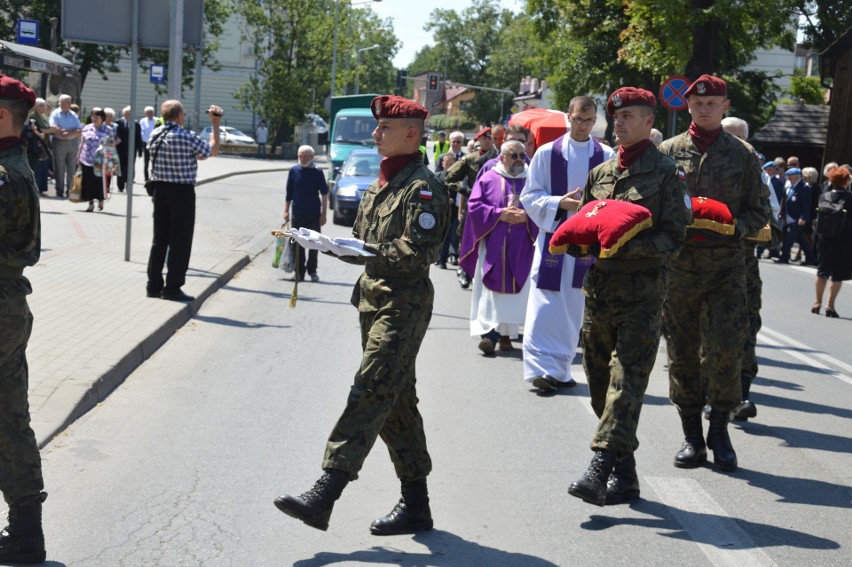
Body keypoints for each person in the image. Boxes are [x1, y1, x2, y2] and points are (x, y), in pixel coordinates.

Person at [274, 95, 450, 535]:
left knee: (371, 388)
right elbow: (362, 241)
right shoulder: (380, 183)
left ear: (411, 133)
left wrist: (364, 251)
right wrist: (327, 244)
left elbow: (417, 252)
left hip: (402, 306)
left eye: (384, 128)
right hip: (372, 301)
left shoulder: (423, 187)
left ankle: (326, 492)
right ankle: (417, 505)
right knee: (397, 405)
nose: (375, 134)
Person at [567, 87, 690, 506]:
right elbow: (587, 223)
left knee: (627, 382)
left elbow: (674, 238)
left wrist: (624, 247)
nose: (617, 123)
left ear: (649, 122)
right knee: (599, 382)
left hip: (642, 294)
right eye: (615, 117)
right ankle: (627, 473)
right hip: (599, 291)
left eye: (628, 117)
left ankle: (600, 466)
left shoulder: (667, 173)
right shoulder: (600, 174)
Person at [659, 74, 768, 472]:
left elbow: (761, 213)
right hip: (681, 269)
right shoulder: (667, 153)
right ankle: (691, 436)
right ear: (688, 105)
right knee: (682, 351)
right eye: (697, 103)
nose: (704, 108)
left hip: (726, 269)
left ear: (725, 108)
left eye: (712, 103)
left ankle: (719, 430)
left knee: (726, 350)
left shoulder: (743, 155)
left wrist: (732, 227)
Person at [520, 95, 615, 392]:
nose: (584, 126)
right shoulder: (547, 154)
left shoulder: (607, 155)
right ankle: (540, 368)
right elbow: (530, 196)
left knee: (576, 306)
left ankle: (560, 370)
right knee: (544, 304)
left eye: (589, 121)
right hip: (553, 238)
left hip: (588, 243)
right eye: (578, 120)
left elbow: (614, 200)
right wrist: (559, 202)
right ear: (568, 118)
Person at [0, 74, 48, 565]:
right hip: (8, 304)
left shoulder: (4, 174)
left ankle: (26, 533)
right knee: (9, 420)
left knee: (9, 420)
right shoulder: (14, 167)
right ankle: (26, 533)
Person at [721, 116, 778, 423]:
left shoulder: (757, 172)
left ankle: (742, 395)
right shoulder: (705, 165)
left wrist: (750, 228)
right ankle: (711, 394)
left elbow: (774, 221)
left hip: (743, 266)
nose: (732, 142)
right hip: (700, 265)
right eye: (726, 135)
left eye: (738, 137)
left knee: (745, 329)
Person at [459, 140, 537, 354]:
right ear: (502, 157)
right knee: (491, 294)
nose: (520, 160)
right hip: (494, 246)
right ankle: (490, 335)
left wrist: (527, 218)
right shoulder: (488, 178)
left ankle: (506, 335)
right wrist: (499, 214)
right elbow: (474, 206)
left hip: (523, 247)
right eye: (514, 155)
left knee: (517, 295)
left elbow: (542, 206)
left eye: (522, 155)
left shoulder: (533, 180)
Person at [145, 99, 221, 302]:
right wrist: (215, 123)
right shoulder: (186, 136)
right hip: (182, 193)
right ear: (178, 116)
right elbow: (211, 151)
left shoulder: (155, 134)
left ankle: (153, 286)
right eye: (184, 114)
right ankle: (172, 288)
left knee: (159, 240)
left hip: (160, 191)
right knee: (180, 241)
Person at [445, 127, 498, 288]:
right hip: (474, 205)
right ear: (479, 140)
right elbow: (449, 177)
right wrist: (466, 191)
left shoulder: (500, 158)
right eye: (485, 138)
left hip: (494, 205)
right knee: (468, 238)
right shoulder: (470, 159)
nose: (488, 141)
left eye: (490, 138)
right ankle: (464, 271)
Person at [283, 145, 328, 282]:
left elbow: (324, 194)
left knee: (314, 243)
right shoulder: (293, 170)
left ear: (312, 157)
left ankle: (312, 271)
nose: (303, 159)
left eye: (306, 156)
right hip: (297, 213)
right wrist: (286, 210)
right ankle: (299, 273)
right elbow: (289, 193)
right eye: (300, 156)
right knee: (297, 244)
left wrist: (324, 214)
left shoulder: (317, 171)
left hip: (313, 214)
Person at [813, 167, 852, 318]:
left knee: (822, 270)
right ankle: (830, 305)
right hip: (845, 238)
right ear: (846, 181)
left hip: (825, 237)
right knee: (838, 273)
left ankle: (817, 302)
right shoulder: (850, 197)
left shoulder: (824, 196)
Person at [777, 167, 816, 265]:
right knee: (801, 240)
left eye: (791, 177)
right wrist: (783, 213)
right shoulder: (790, 186)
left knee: (788, 238)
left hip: (797, 219)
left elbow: (807, 205)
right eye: (788, 177)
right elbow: (786, 202)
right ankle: (812, 259)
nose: (789, 179)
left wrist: (803, 217)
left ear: (797, 177)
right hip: (789, 218)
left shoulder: (804, 187)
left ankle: (784, 258)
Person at [76, 108, 111, 212]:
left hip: (101, 160)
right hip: (86, 159)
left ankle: (101, 199)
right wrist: (78, 157)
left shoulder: (107, 129)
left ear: (102, 118)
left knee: (99, 182)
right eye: (93, 116)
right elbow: (82, 143)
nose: (94, 118)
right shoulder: (87, 128)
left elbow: (112, 144)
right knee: (88, 182)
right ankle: (90, 204)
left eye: (97, 117)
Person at [48, 94, 81, 198]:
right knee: (59, 167)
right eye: (65, 102)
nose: (68, 104)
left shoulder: (73, 115)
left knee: (72, 168)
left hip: (72, 143)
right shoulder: (55, 113)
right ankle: (60, 190)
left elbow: (79, 129)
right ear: (60, 103)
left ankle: (70, 191)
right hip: (59, 142)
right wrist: (63, 132)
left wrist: (69, 133)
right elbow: (52, 127)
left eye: (69, 102)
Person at [25, 98, 53, 194]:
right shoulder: (31, 117)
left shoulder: (39, 118)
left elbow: (41, 134)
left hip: (37, 148)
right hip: (28, 148)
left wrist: (35, 130)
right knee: (33, 170)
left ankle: (36, 189)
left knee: (39, 170)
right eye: (41, 105)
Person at [114, 106, 142, 192]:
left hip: (131, 149)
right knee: (120, 167)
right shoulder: (118, 123)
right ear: (123, 114)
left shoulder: (136, 125)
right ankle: (120, 185)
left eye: (129, 114)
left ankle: (129, 184)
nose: (127, 115)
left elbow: (138, 138)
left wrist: (140, 150)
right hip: (120, 149)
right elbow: (115, 135)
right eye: (126, 114)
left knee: (130, 168)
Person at [139, 106, 157, 181]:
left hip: (155, 143)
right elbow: (141, 132)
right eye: (148, 113)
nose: (150, 114)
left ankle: (153, 176)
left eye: (151, 112)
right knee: (146, 162)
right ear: (145, 113)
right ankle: (146, 178)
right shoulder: (142, 121)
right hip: (145, 142)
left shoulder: (157, 120)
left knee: (154, 161)